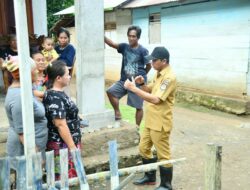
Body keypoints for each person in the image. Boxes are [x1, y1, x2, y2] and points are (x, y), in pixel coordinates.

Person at [124, 47, 177, 190]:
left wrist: (134, 89)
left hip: (160, 123)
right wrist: (141, 84)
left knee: (163, 154)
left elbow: (155, 99)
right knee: (143, 148)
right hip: (150, 120)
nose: (151, 63)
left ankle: (166, 185)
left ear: (164, 61)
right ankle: (150, 177)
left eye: (154, 60)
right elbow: (150, 90)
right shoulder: (158, 74)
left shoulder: (169, 77)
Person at [4, 56, 48, 170]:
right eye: (34, 70)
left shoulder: (25, 90)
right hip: (25, 152)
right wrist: (36, 156)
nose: (38, 71)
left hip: (34, 147)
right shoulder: (19, 96)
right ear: (25, 73)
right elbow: (21, 132)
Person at [104, 25, 151, 126]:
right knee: (110, 92)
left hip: (137, 83)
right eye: (129, 36)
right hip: (124, 80)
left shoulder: (144, 50)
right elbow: (112, 44)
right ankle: (117, 111)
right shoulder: (124, 47)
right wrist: (101, 35)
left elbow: (149, 65)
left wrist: (142, 76)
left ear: (138, 37)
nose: (131, 38)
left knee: (138, 107)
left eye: (133, 36)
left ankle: (137, 127)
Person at [42, 60, 81, 180]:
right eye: (67, 74)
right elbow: (60, 125)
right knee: (62, 178)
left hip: (67, 142)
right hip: (62, 145)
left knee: (67, 177)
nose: (69, 76)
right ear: (58, 78)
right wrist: (72, 147)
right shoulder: (55, 97)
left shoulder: (57, 94)